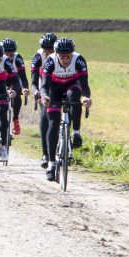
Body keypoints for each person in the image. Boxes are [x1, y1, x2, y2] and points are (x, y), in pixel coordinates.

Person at [42, 37, 92, 182]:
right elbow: (44, 85)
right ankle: (51, 164)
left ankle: (76, 133)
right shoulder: (50, 61)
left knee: (74, 97)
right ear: (56, 54)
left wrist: (86, 98)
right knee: (53, 122)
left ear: (72, 54)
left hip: (72, 85)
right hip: (54, 89)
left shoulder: (79, 60)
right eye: (61, 56)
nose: (65, 59)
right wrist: (45, 96)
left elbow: (85, 85)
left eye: (67, 56)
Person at [31, 32, 57, 169]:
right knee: (44, 115)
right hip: (44, 87)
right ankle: (45, 153)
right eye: (46, 52)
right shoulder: (38, 56)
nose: (48, 54)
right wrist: (35, 91)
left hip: (60, 86)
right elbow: (34, 80)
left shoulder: (62, 55)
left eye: (51, 51)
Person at [1, 38, 30, 136]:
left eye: (11, 54)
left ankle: (15, 120)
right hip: (1, 79)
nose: (9, 56)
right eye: (6, 54)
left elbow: (23, 76)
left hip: (14, 80)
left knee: (17, 94)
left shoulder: (17, 58)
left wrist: (25, 88)